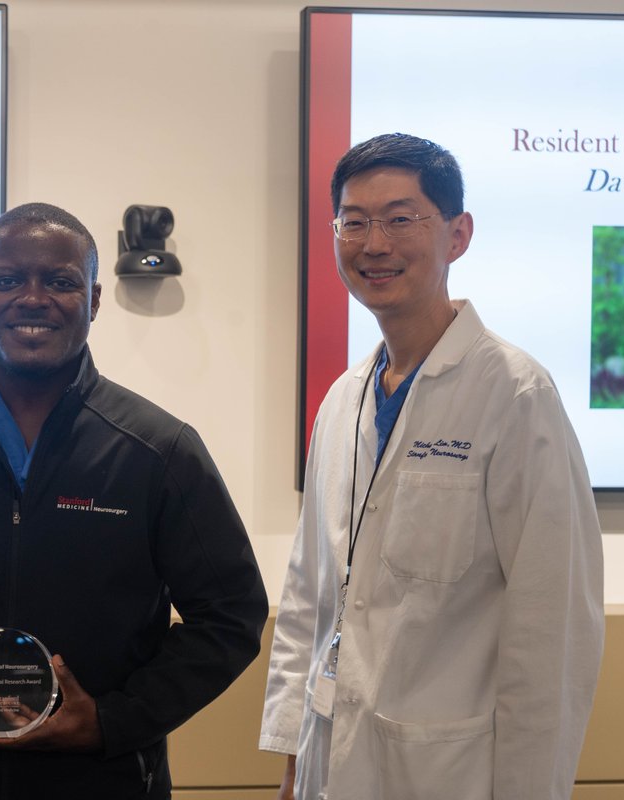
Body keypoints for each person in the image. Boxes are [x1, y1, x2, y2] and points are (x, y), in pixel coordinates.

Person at [0, 202, 268, 799]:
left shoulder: (157, 450)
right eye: (8, 280)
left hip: (101, 781)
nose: (32, 298)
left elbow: (231, 615)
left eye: (59, 281)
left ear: (94, 298)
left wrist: (114, 721)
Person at [259, 133, 604, 800]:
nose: (374, 244)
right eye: (353, 222)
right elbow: (311, 593)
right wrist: (294, 756)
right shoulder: (342, 400)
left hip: (455, 775)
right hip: (333, 760)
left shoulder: (515, 395)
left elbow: (553, 630)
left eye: (400, 218)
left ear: (458, 233)